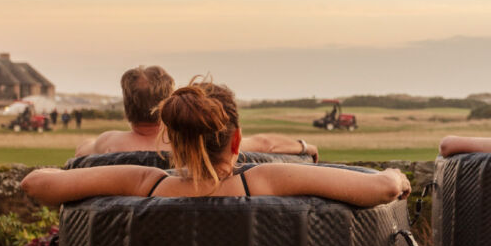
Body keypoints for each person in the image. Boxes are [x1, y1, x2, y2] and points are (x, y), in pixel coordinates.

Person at [23, 78, 409, 207]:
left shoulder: (144, 182)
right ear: (236, 138)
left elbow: (35, 184)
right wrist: (397, 174)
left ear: (170, 140)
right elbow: (384, 187)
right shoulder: (268, 181)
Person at [74, 66, 320, 161]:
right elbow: (267, 144)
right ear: (170, 105)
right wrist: (305, 146)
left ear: (127, 105)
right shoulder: (192, 144)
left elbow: (81, 151)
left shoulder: (109, 144)